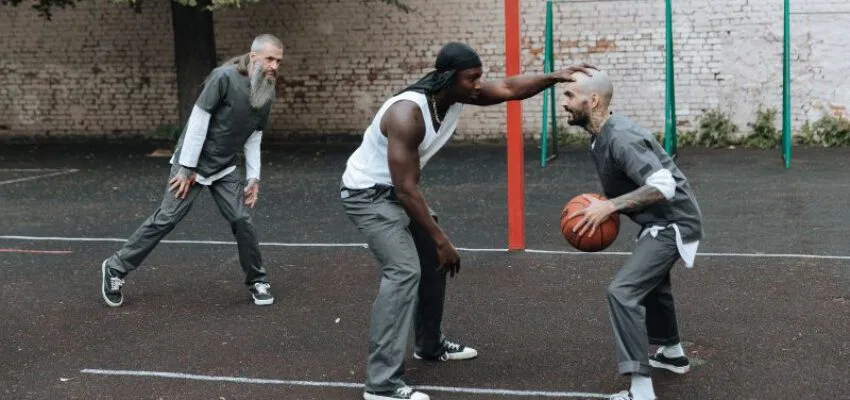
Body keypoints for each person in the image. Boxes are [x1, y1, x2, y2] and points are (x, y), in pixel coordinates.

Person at [340, 41, 595, 400]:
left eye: (479, 78)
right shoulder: (406, 114)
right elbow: (406, 189)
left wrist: (553, 77)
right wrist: (441, 238)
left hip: (397, 192)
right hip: (368, 195)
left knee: (433, 262)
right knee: (403, 271)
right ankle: (381, 385)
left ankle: (429, 345)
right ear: (448, 77)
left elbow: (508, 88)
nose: (478, 85)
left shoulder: (455, 95)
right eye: (471, 78)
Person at [100, 34, 284, 308]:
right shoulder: (223, 77)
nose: (274, 66)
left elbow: (254, 136)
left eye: (279, 61)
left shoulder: (266, 89)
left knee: (241, 220)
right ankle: (115, 268)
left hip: (224, 167)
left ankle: (258, 280)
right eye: (270, 59)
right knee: (167, 218)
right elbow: (199, 119)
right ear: (254, 55)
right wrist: (186, 168)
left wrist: (254, 176)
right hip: (192, 163)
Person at [562, 69, 703, 400]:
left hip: (673, 223)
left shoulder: (621, 137)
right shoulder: (599, 136)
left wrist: (609, 207)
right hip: (660, 221)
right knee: (653, 285)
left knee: (622, 292)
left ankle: (641, 392)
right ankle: (671, 353)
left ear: (593, 100)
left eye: (570, 95)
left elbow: (663, 185)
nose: (564, 102)